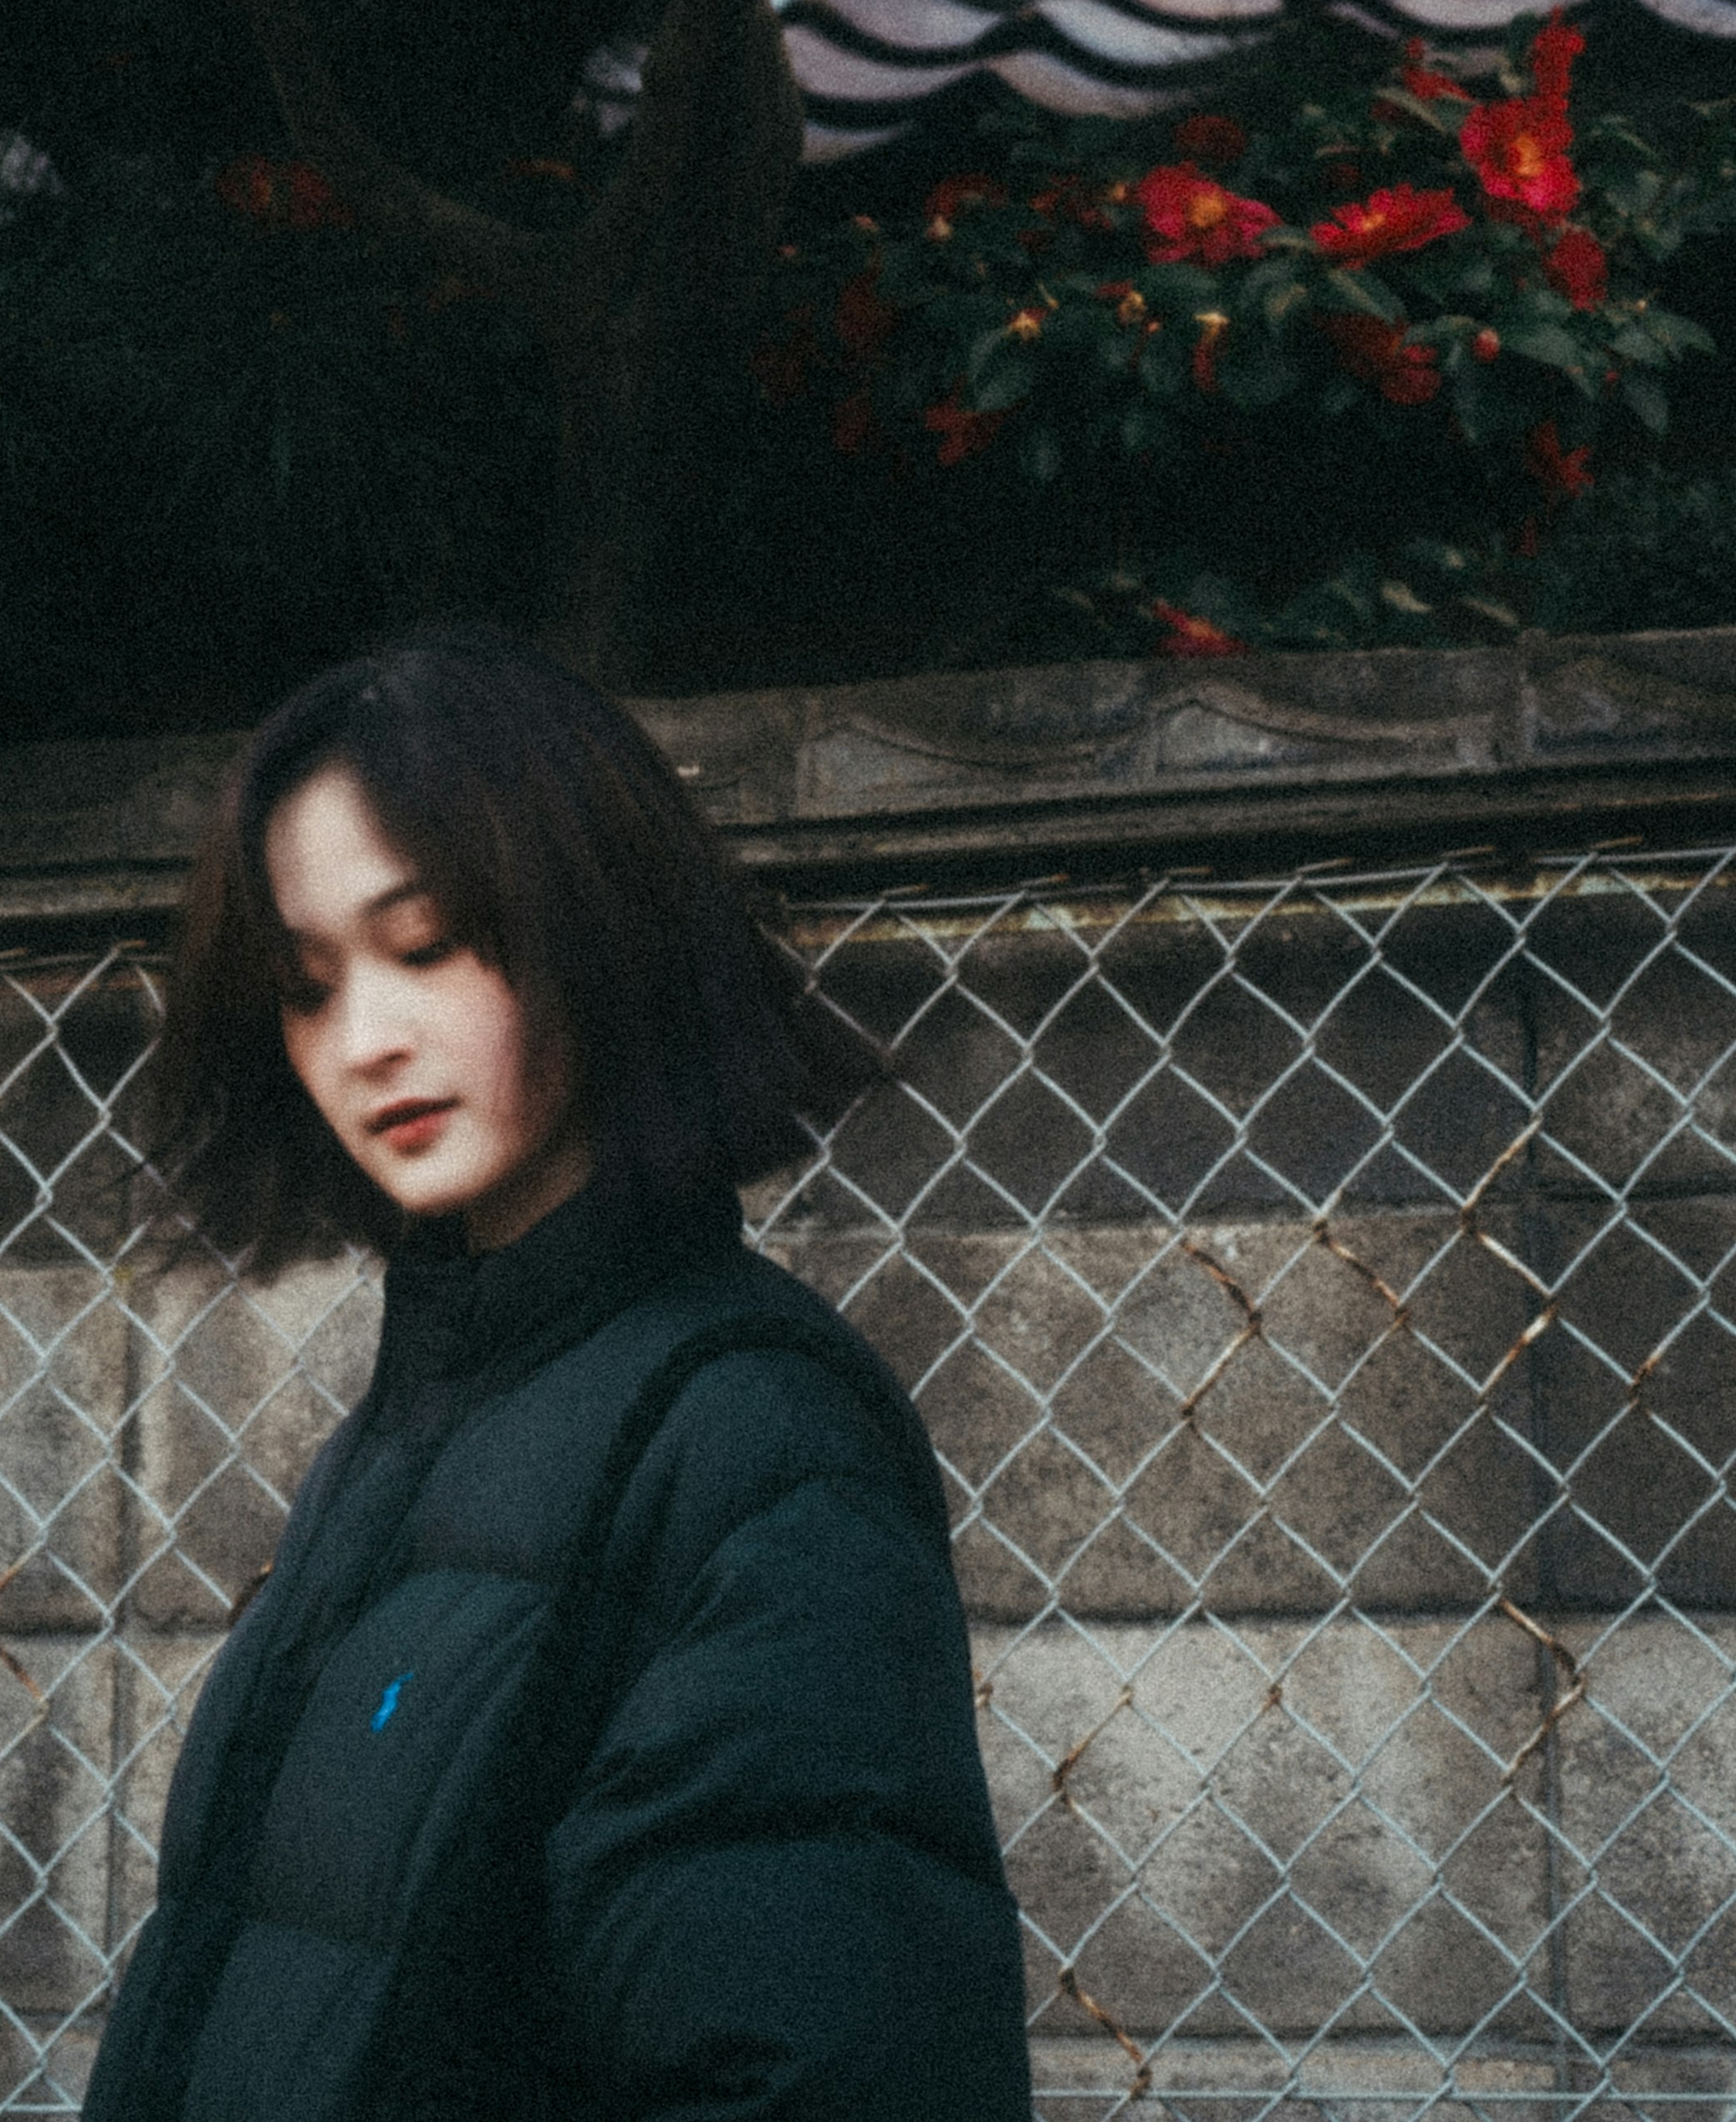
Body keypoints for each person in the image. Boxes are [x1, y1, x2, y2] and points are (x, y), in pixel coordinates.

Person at [83, 630, 1036, 2121]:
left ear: (594, 920)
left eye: (428, 942)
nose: (365, 1039)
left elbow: (813, 2072)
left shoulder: (755, 1437)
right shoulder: (392, 1443)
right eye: (309, 980)